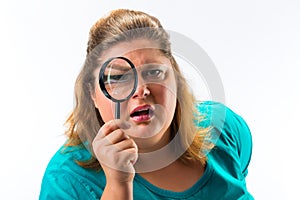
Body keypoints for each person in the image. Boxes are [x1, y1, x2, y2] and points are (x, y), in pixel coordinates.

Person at [39, 9, 253, 200]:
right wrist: (117, 185)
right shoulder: (66, 181)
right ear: (92, 93)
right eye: (119, 78)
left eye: (154, 72)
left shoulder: (223, 127)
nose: (141, 90)